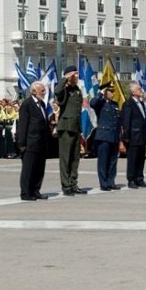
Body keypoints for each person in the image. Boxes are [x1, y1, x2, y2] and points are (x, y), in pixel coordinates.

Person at [17, 81, 52, 201]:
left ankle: (36, 190)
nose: (44, 92)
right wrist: (21, 143)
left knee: (39, 169)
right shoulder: (27, 104)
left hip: (41, 142)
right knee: (28, 169)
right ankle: (26, 193)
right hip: (30, 143)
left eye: (44, 90)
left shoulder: (42, 104)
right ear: (33, 91)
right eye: (42, 90)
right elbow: (23, 124)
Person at [55, 65, 87, 196]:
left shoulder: (77, 89)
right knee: (65, 158)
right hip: (66, 127)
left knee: (75, 158)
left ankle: (73, 183)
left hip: (75, 127)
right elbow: (57, 92)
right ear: (69, 76)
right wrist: (65, 78)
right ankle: (66, 186)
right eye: (75, 74)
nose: (77, 77)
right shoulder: (65, 89)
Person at [90, 82, 121, 191]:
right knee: (103, 161)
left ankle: (111, 182)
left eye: (113, 91)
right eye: (110, 91)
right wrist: (100, 93)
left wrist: (119, 137)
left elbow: (118, 122)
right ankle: (104, 183)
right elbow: (92, 103)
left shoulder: (115, 105)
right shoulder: (100, 103)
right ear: (105, 92)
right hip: (103, 136)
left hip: (114, 136)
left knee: (113, 161)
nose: (113, 94)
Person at [121, 82, 146, 189]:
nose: (141, 90)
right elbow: (126, 121)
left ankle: (139, 178)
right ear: (133, 92)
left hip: (141, 136)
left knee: (141, 158)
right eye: (138, 89)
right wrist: (126, 137)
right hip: (133, 136)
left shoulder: (141, 103)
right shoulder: (128, 103)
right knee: (132, 159)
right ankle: (131, 179)